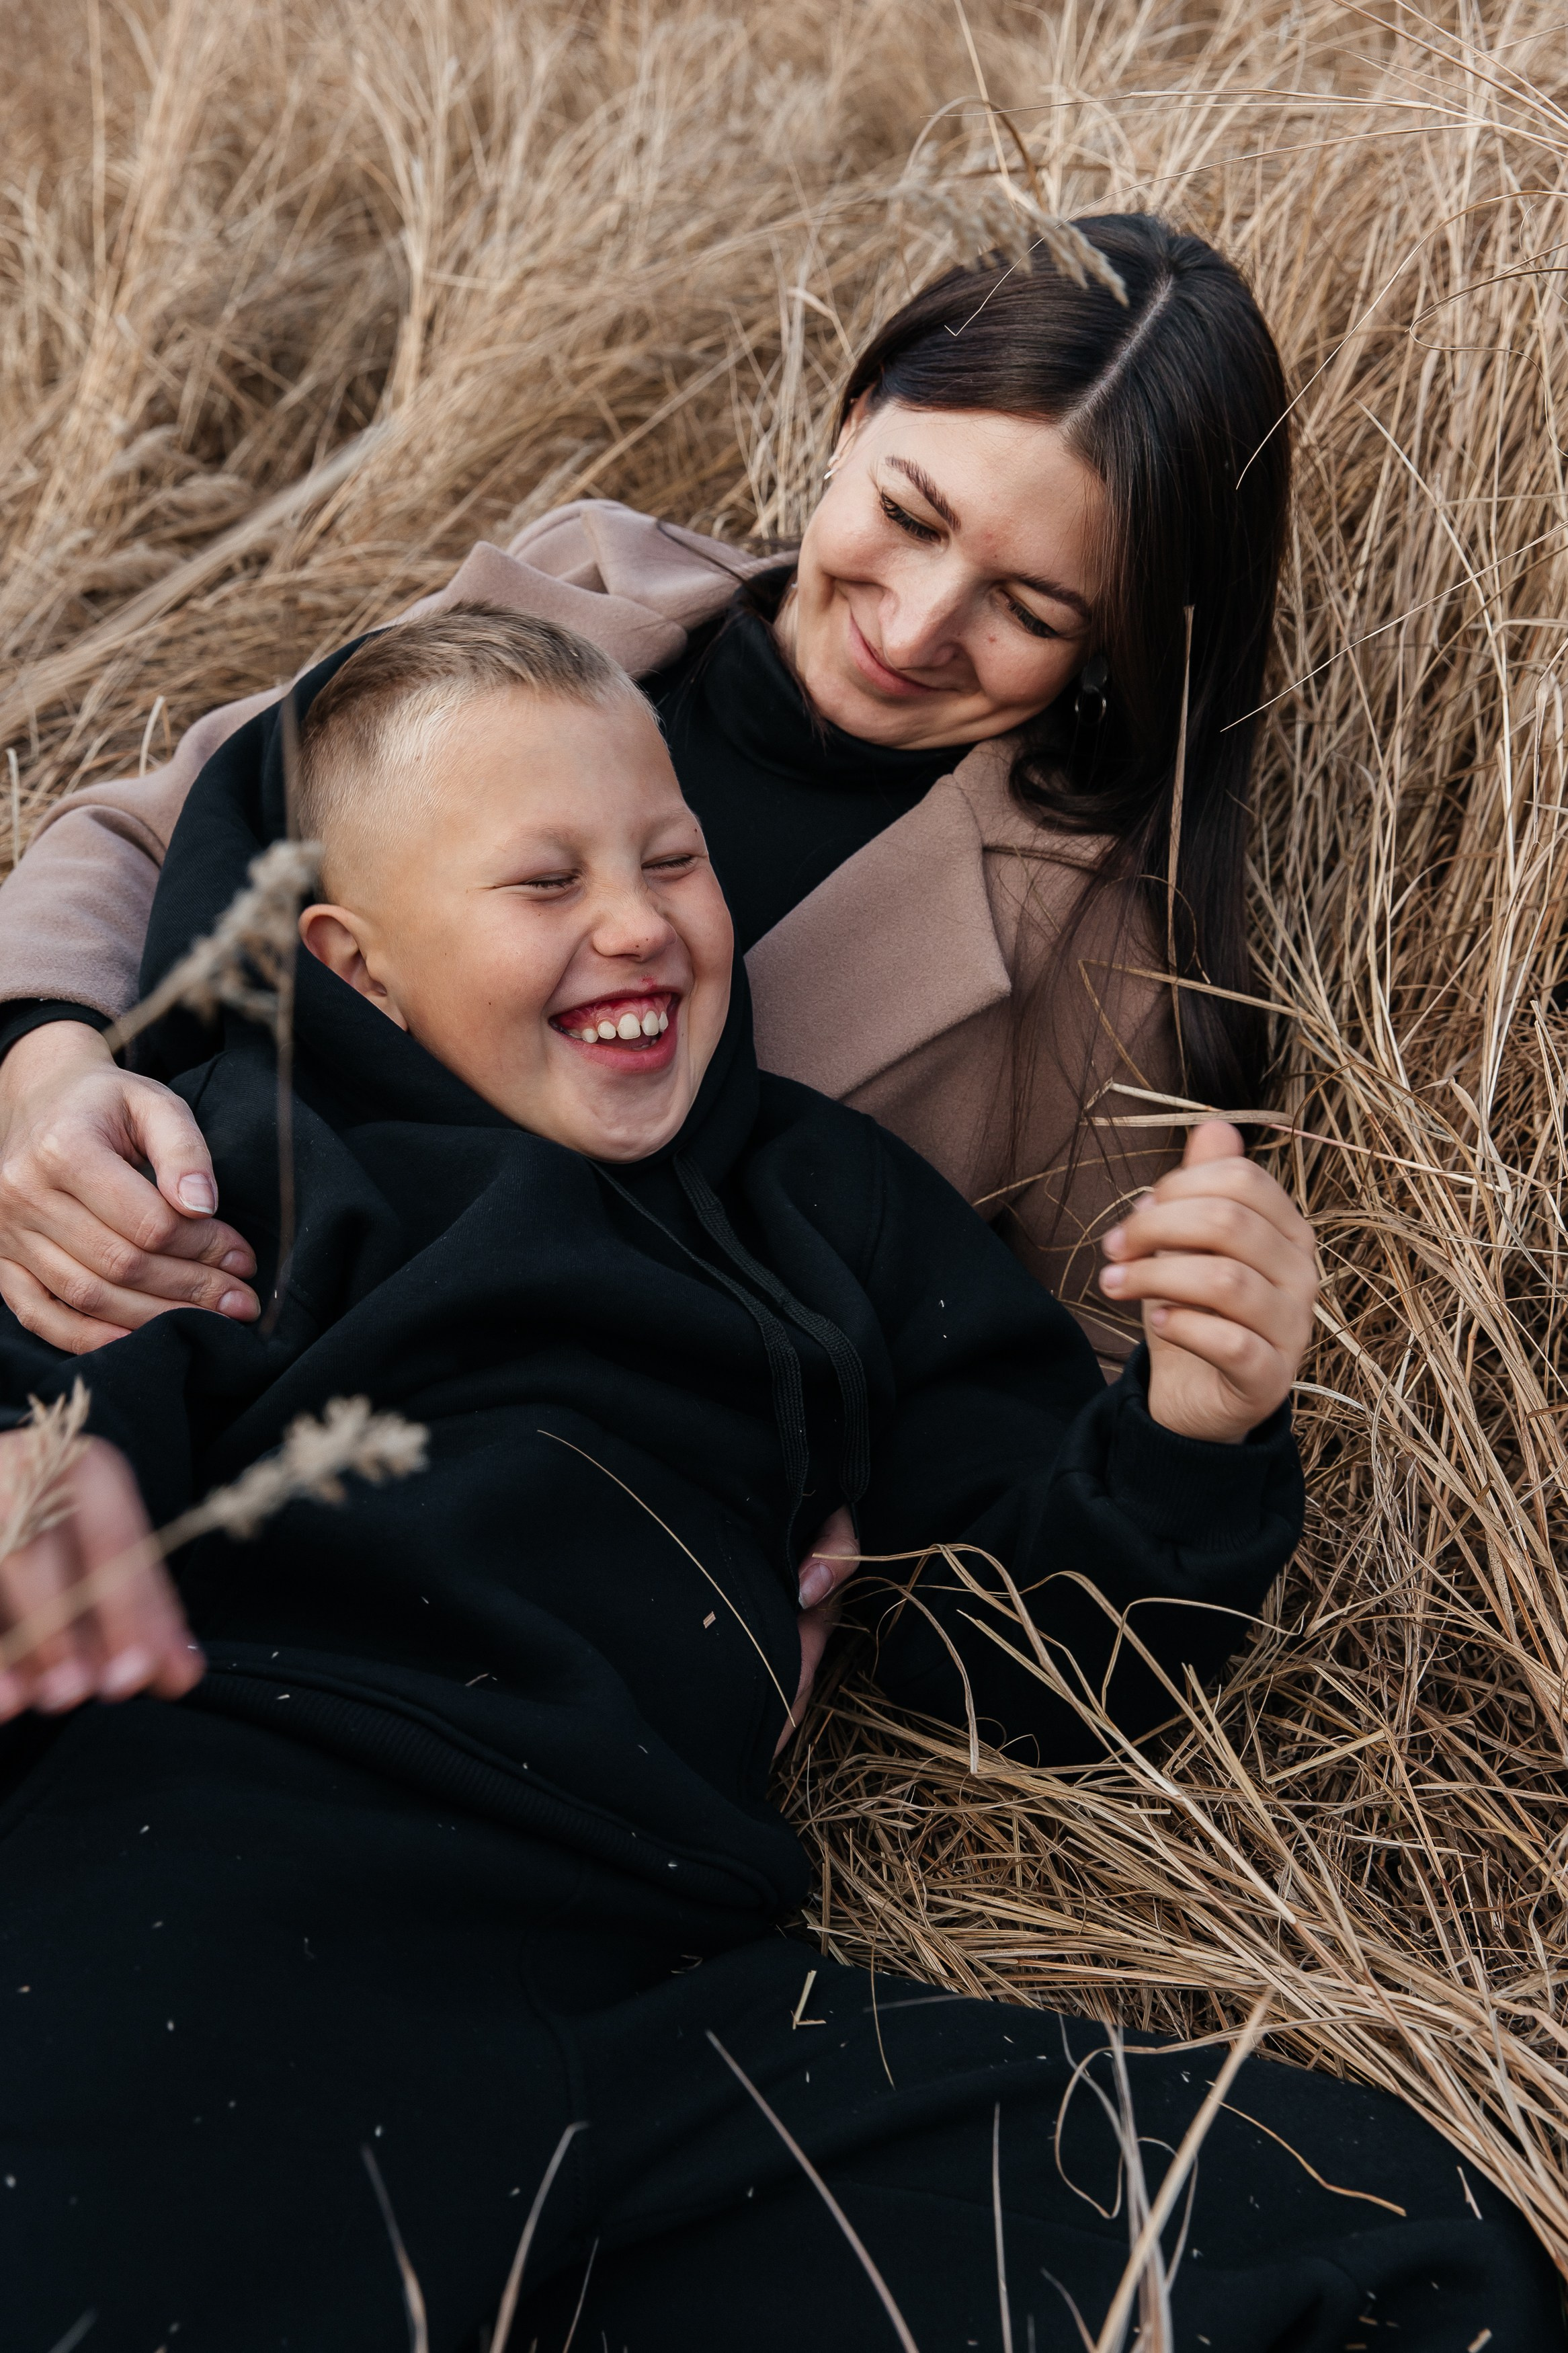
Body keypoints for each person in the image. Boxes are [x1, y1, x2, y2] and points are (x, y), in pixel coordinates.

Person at [0, 608, 1556, 2352]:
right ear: (356, 962)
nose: (638, 916)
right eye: (542, 881)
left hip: (664, 2011)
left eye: (671, 855)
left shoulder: (832, 1209)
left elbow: (1030, 1655)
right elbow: (61, 1415)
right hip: (218, 1909)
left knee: (1388, 2238)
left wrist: (1191, 1423)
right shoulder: (228, 1154)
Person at [0, 210, 1291, 1381]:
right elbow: (149, 830)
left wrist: (822, 1464)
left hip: (494, 1535)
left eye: (1027, 607)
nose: (914, 625)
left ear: (1113, 638)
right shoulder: (580, 586)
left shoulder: (1090, 945)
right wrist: (43, 1072)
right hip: (139, 1323)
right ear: (851, 426)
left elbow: (1081, 1369)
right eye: (908, 514)